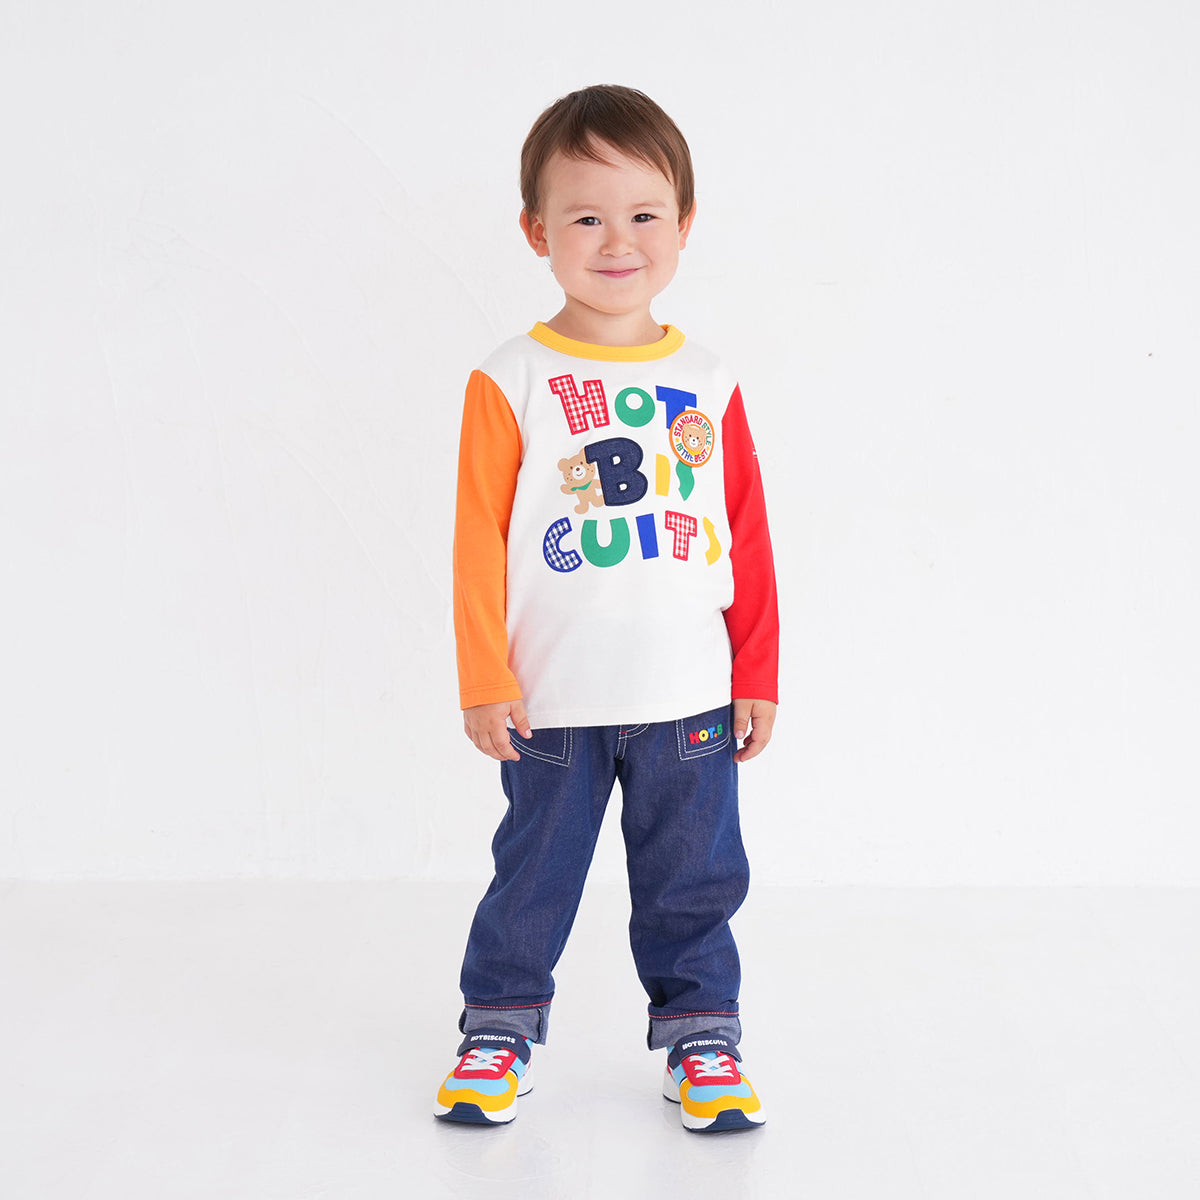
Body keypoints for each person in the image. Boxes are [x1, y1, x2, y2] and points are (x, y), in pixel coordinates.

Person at [434, 84, 779, 1133]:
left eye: (643, 214)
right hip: (552, 697)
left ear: (684, 223)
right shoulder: (511, 378)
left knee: (693, 879)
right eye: (585, 215)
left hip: (690, 692)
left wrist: (757, 672)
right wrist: (484, 677)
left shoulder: (709, 379)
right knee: (532, 875)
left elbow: (748, 534)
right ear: (537, 231)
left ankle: (702, 1038)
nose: (617, 240)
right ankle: (499, 1028)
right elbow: (477, 541)